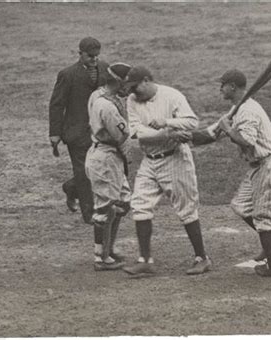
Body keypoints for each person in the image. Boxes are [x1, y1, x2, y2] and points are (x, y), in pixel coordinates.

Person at [192, 69, 271, 277]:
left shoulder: (247, 111)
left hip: (269, 165)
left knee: (264, 218)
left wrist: (228, 129)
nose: (220, 89)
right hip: (259, 167)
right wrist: (184, 137)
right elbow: (210, 135)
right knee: (241, 206)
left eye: (223, 85)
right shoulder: (236, 110)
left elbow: (247, 140)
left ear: (233, 87)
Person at [122, 66, 212, 277]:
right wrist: (166, 133)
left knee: (186, 209)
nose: (133, 92)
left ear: (146, 80)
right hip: (149, 160)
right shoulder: (132, 101)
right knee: (140, 205)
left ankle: (202, 258)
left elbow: (192, 121)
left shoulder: (172, 96)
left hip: (175, 159)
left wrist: (168, 122)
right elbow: (136, 132)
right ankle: (145, 260)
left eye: (135, 87)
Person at [49, 37, 109, 249]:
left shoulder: (104, 68)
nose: (94, 60)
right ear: (80, 53)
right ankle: (88, 212)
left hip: (99, 131)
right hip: (76, 133)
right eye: (90, 56)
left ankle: (70, 187)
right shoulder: (67, 75)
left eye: (96, 56)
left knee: (96, 169)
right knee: (83, 171)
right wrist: (54, 134)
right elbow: (57, 104)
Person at [85, 62, 133, 271]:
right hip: (106, 158)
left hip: (108, 156)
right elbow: (120, 136)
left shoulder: (98, 95)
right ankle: (100, 258)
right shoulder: (107, 106)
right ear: (118, 82)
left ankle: (108, 249)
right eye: (126, 84)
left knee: (123, 203)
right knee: (104, 208)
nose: (128, 89)